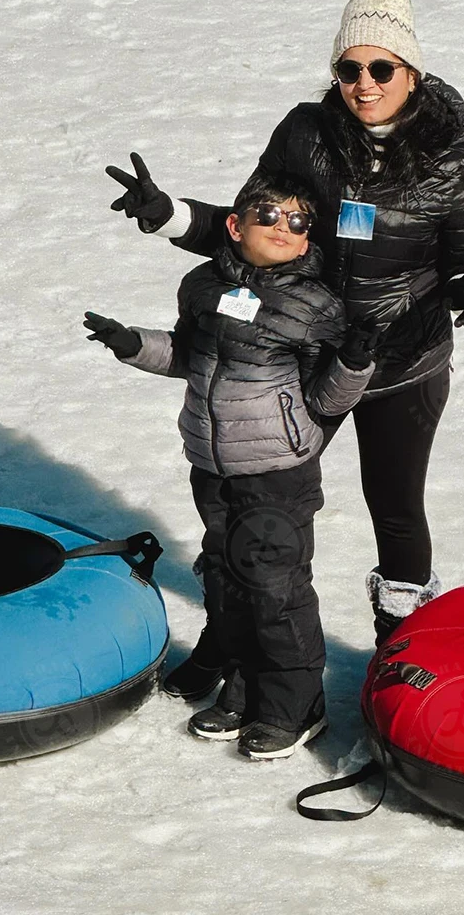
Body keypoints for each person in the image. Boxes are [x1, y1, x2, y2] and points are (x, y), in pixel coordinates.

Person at [106, 0, 464, 665]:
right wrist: (168, 217)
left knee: (396, 506)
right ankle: (232, 635)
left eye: (382, 68)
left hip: (400, 363)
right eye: (350, 69)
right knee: (254, 503)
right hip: (300, 356)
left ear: (412, 71)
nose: (365, 85)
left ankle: (401, 652)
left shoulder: (454, 162)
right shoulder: (305, 134)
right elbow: (253, 228)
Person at [83, 172, 378, 759]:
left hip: (275, 469)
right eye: (269, 214)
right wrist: (132, 344)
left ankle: (296, 704)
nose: (283, 228)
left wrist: (354, 361)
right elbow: (188, 356)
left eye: (298, 222)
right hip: (212, 462)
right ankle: (245, 689)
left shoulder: (315, 306)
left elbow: (326, 401)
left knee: (275, 589)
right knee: (226, 578)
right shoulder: (202, 285)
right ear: (236, 225)